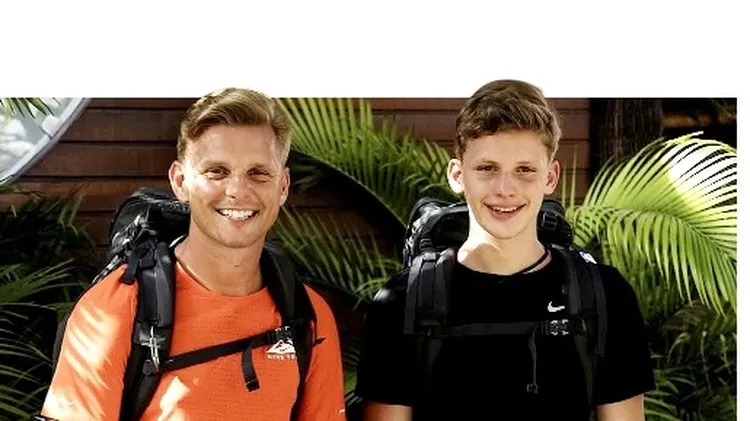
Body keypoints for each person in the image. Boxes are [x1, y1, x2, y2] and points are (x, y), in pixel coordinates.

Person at [39, 88, 347, 421]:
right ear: (180, 181)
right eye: (217, 171)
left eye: (258, 173)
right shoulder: (115, 308)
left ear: (283, 186)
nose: (238, 191)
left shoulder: (307, 314)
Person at [355, 79, 655, 420]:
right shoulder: (402, 302)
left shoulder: (605, 295)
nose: (505, 189)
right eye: (487, 168)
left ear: (550, 177)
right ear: (457, 175)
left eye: (524, 170)